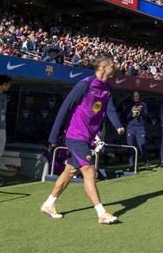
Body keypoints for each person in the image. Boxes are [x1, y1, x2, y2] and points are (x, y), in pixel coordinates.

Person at [41, 54, 125, 224]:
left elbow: (110, 110)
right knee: (89, 170)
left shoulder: (107, 88)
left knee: (70, 171)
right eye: (112, 65)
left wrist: (118, 125)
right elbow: (65, 107)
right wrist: (53, 136)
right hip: (75, 135)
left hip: (88, 137)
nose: (114, 68)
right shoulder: (85, 84)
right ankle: (101, 213)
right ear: (103, 68)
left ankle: (49, 204)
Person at [124, 91, 151, 170]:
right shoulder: (129, 105)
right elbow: (126, 118)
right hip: (131, 128)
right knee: (130, 146)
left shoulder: (143, 105)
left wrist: (141, 111)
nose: (136, 97)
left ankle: (146, 163)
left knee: (142, 145)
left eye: (137, 96)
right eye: (134, 96)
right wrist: (132, 112)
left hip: (140, 128)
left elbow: (147, 116)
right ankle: (131, 165)